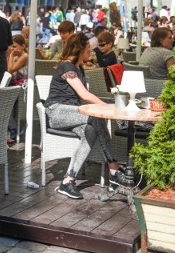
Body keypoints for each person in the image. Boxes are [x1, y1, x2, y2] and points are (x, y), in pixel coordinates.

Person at [44, 33, 126, 199]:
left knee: (90, 130)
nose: (91, 53)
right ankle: (114, 168)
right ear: (80, 49)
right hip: (57, 112)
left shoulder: (78, 68)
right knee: (96, 116)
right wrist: (111, 109)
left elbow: (82, 98)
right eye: (89, 49)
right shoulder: (67, 67)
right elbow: (85, 95)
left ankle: (67, 181)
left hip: (71, 113)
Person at [7, 34, 28, 143]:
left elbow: (10, 70)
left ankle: (13, 129)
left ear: (23, 46)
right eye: (11, 46)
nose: (12, 49)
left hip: (22, 87)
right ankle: (11, 128)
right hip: (15, 85)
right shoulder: (16, 56)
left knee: (3, 102)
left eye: (14, 46)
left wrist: (10, 55)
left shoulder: (25, 56)